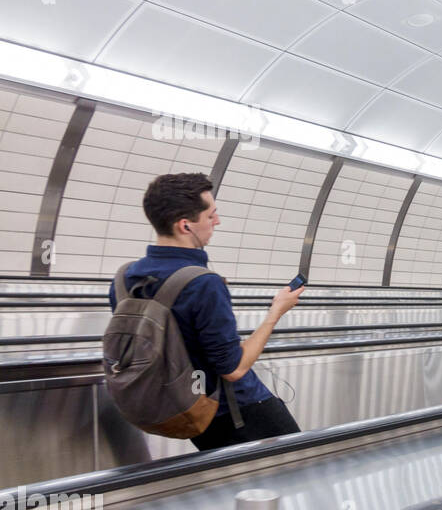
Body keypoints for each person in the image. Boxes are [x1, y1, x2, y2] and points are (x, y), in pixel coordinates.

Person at [107, 172, 304, 451]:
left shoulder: (124, 279)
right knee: (300, 470)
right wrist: (276, 312)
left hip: (191, 413)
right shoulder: (203, 283)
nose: (217, 222)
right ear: (185, 226)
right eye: (211, 216)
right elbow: (233, 368)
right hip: (241, 413)